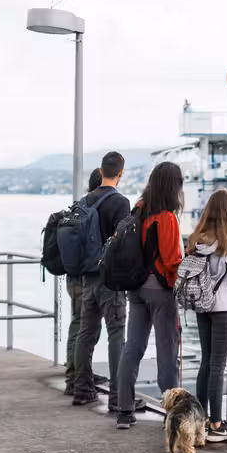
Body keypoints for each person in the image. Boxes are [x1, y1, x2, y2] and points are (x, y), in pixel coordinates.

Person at [116, 162, 184, 429]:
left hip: (136, 288)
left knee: (133, 346)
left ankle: (124, 409)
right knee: (167, 351)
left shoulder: (139, 208)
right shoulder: (165, 217)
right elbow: (170, 259)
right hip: (160, 290)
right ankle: (173, 413)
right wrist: (185, 260)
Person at [72, 152, 131, 411]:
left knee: (86, 333)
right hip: (111, 280)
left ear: (102, 171)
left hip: (88, 278)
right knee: (116, 335)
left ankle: (82, 389)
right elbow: (125, 244)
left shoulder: (86, 200)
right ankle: (118, 399)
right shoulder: (121, 202)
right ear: (120, 173)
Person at [187, 189, 227, 441]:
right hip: (222, 308)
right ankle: (217, 425)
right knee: (218, 366)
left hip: (201, 305)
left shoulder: (197, 241)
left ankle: (200, 421)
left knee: (206, 362)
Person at [64, 168, 104, 396]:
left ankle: (80, 372)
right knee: (84, 329)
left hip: (73, 276)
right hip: (85, 278)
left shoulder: (79, 206)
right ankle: (76, 378)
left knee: (80, 327)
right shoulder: (95, 209)